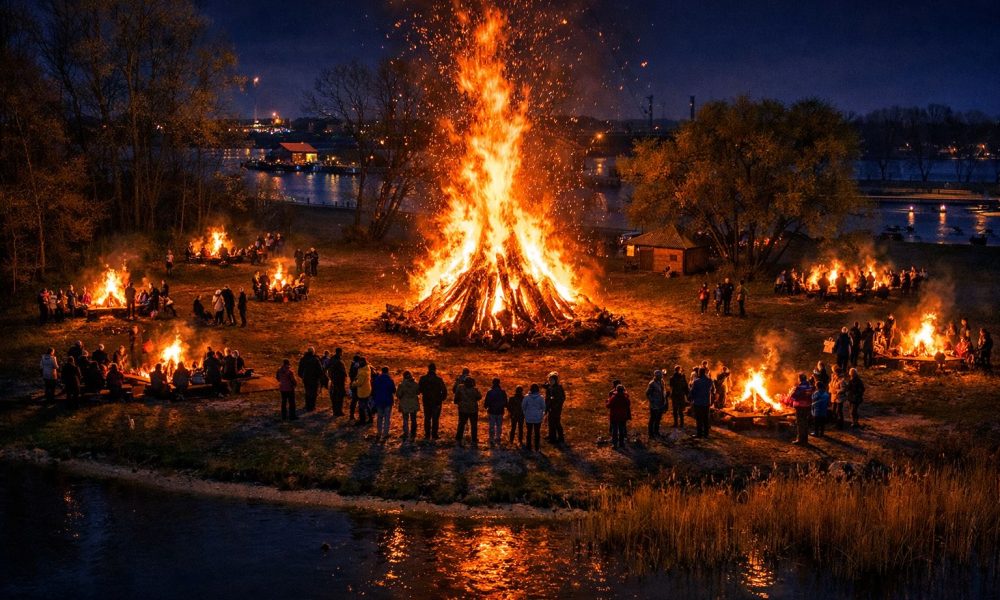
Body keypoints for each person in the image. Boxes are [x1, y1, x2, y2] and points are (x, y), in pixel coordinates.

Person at [418, 363, 447, 440]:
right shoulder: (439, 380)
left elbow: (419, 390)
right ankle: (434, 435)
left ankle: (427, 435)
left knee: (427, 418)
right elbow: (444, 391)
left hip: (426, 402)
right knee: (435, 419)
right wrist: (440, 399)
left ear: (428, 368)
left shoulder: (423, 379)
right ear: (435, 369)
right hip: (436, 403)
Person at [786, 374, 815, 445]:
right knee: (805, 422)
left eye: (798, 378)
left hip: (800, 407)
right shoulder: (810, 387)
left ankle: (800, 440)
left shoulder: (799, 387)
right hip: (808, 406)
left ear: (800, 379)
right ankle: (805, 439)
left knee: (800, 423)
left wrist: (791, 392)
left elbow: (793, 396)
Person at [455, 376, 482, 448]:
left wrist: (458, 402)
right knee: (474, 426)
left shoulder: (460, 387)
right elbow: (479, 397)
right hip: (473, 410)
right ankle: (474, 441)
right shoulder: (474, 390)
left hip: (462, 409)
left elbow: (456, 396)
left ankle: (458, 440)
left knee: (461, 425)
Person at [371, 367, 396, 442]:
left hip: (379, 401)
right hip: (388, 401)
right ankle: (385, 433)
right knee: (387, 418)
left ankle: (379, 432)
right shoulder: (390, 380)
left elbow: (373, 389)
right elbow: (393, 390)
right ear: (387, 372)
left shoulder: (377, 380)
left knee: (379, 417)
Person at [689, 368, 713, 438]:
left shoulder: (696, 381)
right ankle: (706, 434)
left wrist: (690, 398)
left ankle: (699, 434)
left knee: (699, 419)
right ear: (705, 373)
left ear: (699, 373)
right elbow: (711, 389)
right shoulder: (709, 380)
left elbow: (693, 391)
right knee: (706, 418)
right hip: (706, 402)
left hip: (698, 403)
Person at [297, 347, 323, 412]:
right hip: (314, 379)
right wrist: (319, 377)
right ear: (313, 352)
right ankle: (312, 406)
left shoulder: (303, 359)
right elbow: (320, 370)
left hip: (306, 379)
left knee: (307, 392)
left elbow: (299, 371)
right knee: (314, 393)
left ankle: (307, 405)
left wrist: (303, 377)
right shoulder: (316, 359)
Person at [397, 371, 420, 442]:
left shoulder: (401, 385)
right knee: (413, 419)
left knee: (405, 419)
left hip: (405, 404)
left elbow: (398, 395)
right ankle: (413, 433)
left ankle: (406, 433)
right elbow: (418, 392)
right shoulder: (415, 384)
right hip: (413, 404)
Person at [522, 384, 546, 452]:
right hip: (538, 418)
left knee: (529, 432)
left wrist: (526, 412)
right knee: (537, 433)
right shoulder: (541, 398)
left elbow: (523, 406)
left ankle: (528, 446)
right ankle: (537, 447)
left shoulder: (526, 397)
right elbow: (544, 407)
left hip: (528, 417)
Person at [484, 378, 507, 447]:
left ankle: (491, 439)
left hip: (492, 412)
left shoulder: (490, 392)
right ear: (499, 383)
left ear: (492, 383)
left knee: (491, 426)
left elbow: (486, 403)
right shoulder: (503, 392)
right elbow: (506, 403)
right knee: (499, 426)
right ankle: (498, 438)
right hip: (500, 411)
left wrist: (486, 406)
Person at [544, 372, 566, 445]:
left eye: (552, 380)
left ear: (555, 381)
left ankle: (559, 438)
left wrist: (554, 406)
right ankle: (551, 436)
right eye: (549, 380)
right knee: (551, 422)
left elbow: (560, 399)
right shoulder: (551, 387)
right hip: (551, 408)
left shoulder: (558, 388)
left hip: (556, 409)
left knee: (556, 423)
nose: (550, 382)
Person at [607, 384, 631, 449]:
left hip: (614, 416)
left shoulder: (614, 397)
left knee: (614, 431)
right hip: (623, 416)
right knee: (621, 430)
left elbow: (608, 406)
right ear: (623, 390)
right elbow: (628, 404)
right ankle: (621, 444)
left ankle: (615, 444)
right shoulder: (625, 397)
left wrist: (607, 401)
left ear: (617, 390)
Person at [644, 370, 666, 439]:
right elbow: (647, 393)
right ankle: (651, 434)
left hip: (660, 403)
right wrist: (652, 400)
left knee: (658, 419)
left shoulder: (661, 382)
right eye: (660, 376)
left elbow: (663, 391)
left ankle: (656, 432)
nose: (661, 377)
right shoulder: (652, 383)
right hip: (654, 405)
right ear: (656, 376)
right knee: (653, 419)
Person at [326, 348, 347, 416]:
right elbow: (343, 373)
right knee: (340, 397)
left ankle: (335, 411)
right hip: (339, 381)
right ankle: (339, 411)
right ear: (340, 352)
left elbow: (326, 367)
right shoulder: (339, 361)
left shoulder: (332, 359)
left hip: (332, 381)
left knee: (334, 396)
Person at [355, 356, 372, 425]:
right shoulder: (367, 368)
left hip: (362, 391)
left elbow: (359, 383)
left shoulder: (362, 371)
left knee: (361, 406)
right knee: (367, 405)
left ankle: (362, 420)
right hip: (367, 389)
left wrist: (353, 383)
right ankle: (370, 419)